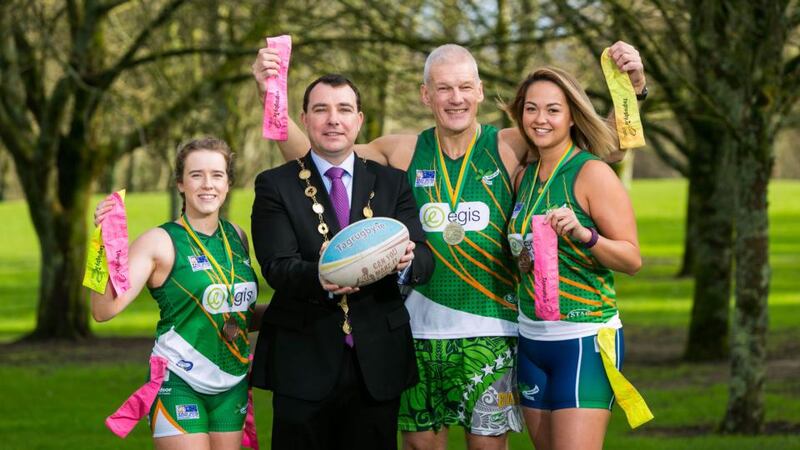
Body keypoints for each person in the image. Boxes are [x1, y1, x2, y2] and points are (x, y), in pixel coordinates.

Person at [252, 40, 645, 450]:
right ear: (426, 95)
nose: (454, 98)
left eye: (463, 87)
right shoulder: (401, 150)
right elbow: (317, 158)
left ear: (478, 91)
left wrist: (630, 90)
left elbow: (604, 145)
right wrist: (272, 95)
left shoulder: (510, 145)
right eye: (442, 88)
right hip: (418, 334)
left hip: (494, 332)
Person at [249, 74, 435, 450]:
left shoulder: (392, 183)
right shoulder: (275, 184)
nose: (333, 119)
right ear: (304, 118)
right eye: (321, 109)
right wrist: (320, 277)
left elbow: (424, 258)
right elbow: (276, 265)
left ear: (359, 120)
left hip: (377, 361)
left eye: (344, 109)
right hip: (303, 357)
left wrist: (404, 263)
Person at [91, 137, 261, 450]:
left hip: (232, 381)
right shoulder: (159, 241)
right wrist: (100, 246)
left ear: (228, 183)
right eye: (196, 175)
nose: (207, 184)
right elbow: (103, 310)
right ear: (180, 184)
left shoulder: (237, 237)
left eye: (217, 175)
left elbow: (238, 311)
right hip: (180, 380)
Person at [505, 66, 642, 450]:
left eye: (553, 110)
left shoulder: (591, 172)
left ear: (571, 116)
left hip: (584, 340)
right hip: (531, 339)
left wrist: (585, 236)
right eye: (531, 109)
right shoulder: (524, 177)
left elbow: (632, 259)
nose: (540, 119)